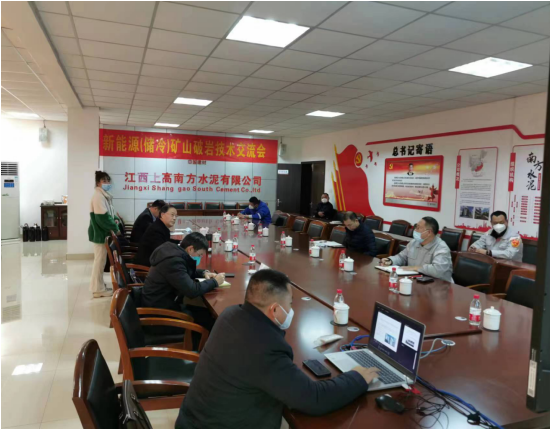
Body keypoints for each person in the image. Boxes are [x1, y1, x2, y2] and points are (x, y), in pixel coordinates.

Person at [176, 269, 379, 429]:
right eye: (290, 304)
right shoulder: (265, 348)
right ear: (274, 309)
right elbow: (315, 399)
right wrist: (357, 378)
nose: (291, 310)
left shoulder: (230, 315)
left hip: (192, 419)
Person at [143, 232, 225, 331]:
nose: (199, 258)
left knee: (207, 314)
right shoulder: (173, 262)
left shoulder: (173, 252)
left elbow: (183, 272)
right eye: (199, 255)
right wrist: (215, 282)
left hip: (163, 305)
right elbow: (192, 290)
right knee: (211, 322)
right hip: (159, 315)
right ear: (190, 249)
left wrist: (204, 273)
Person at [380, 217, 453, 282]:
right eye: (415, 227)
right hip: (417, 281)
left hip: (439, 286)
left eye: (418, 228)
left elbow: (437, 270)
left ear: (429, 232)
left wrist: (415, 268)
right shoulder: (414, 242)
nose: (414, 230)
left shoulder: (441, 248)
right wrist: (390, 260)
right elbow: (401, 257)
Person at [88, 171, 119, 298]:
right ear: (98, 183)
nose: (107, 183)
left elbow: (110, 214)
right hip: (100, 234)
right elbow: (102, 218)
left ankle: (99, 286)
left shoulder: (103, 196)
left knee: (100, 262)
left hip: (102, 233)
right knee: (99, 262)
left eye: (108, 180)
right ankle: (97, 289)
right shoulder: (98, 196)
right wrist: (115, 228)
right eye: (104, 181)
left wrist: (115, 219)